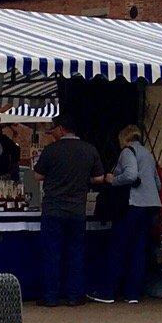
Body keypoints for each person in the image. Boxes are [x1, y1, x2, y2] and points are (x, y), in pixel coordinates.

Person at [32, 116, 102, 306]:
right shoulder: (90, 150)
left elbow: (38, 175)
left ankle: (50, 296)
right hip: (77, 210)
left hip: (53, 208)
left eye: (53, 130)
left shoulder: (51, 150)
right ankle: (74, 295)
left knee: (52, 253)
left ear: (61, 129)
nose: (51, 134)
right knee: (76, 253)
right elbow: (99, 178)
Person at [95, 124, 161, 304]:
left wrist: (113, 179)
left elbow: (131, 175)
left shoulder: (127, 152)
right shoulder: (148, 154)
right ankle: (133, 293)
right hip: (150, 205)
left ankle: (108, 292)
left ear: (123, 138)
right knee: (138, 250)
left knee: (118, 247)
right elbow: (158, 183)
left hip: (132, 204)